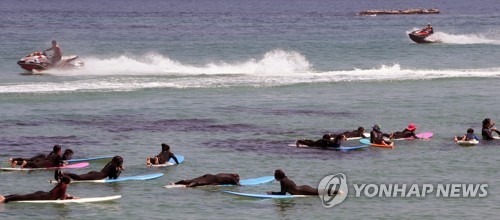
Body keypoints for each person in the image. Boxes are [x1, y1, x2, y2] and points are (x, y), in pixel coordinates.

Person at [0, 176, 75, 203]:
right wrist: (68, 197)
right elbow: (61, 199)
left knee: (24, 196)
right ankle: (5, 200)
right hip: (45, 196)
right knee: (23, 197)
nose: (68, 184)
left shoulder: (60, 184)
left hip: (43, 194)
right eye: (68, 183)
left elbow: (58, 194)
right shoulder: (64, 186)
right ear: (66, 182)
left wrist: (68, 196)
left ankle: (5, 197)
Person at [266, 169, 340, 195]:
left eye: (275, 176)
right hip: (303, 188)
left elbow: (282, 194)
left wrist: (272, 193)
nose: (274, 177)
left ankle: (337, 192)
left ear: (278, 176)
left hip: (303, 190)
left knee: (319, 192)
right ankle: (336, 191)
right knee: (319, 191)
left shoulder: (283, 181)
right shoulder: (286, 179)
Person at [56, 156, 123, 181]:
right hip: (98, 176)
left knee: (80, 177)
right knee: (79, 178)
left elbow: (110, 175)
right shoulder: (114, 166)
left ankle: (64, 176)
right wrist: (119, 171)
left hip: (96, 173)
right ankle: (64, 173)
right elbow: (113, 177)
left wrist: (117, 169)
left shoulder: (110, 163)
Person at [171, 173, 240, 187]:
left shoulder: (226, 174)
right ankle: (188, 186)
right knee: (199, 182)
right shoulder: (232, 178)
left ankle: (175, 183)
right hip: (213, 179)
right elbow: (237, 184)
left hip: (210, 175)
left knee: (190, 180)